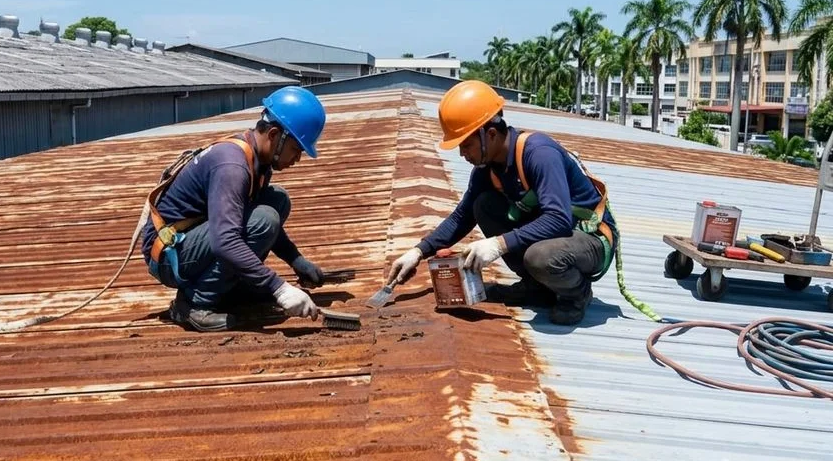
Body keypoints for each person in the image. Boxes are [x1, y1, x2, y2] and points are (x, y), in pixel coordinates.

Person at [386, 80, 617, 325]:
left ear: (491, 135)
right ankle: (536, 288)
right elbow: (461, 217)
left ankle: (577, 294)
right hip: (558, 234)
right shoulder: (487, 171)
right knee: (483, 205)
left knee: (539, 257)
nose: (463, 154)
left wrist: (498, 244)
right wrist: (419, 251)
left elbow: (558, 219)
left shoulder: (539, 154)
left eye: (466, 145)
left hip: (590, 239)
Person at [141, 86, 330, 332]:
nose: (297, 159)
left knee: (277, 200)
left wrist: (296, 260)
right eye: (296, 150)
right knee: (265, 219)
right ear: (274, 135)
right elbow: (226, 241)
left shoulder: (259, 162)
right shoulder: (233, 166)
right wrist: (278, 287)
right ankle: (192, 304)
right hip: (170, 255)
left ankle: (234, 288)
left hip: (193, 239)